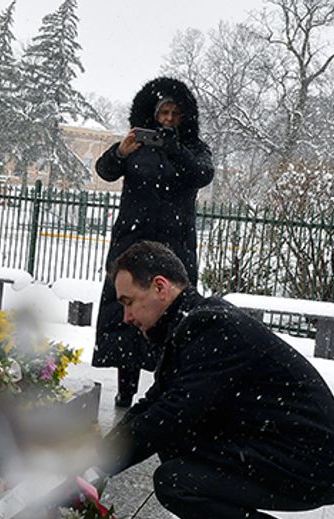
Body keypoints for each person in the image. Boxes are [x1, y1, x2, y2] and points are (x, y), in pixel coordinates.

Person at [91, 241, 334, 519]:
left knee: (175, 480)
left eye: (128, 302)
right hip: (279, 445)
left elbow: (171, 414)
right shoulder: (192, 322)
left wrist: (97, 469)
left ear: (160, 287)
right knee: (177, 440)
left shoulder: (211, 326)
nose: (126, 317)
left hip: (310, 459)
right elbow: (155, 403)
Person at [93, 77, 214, 408]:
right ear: (152, 113)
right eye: (164, 113)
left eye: (176, 113)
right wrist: (120, 152)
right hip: (132, 243)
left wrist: (175, 149)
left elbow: (203, 173)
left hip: (176, 249)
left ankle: (168, 389)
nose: (169, 120)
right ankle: (125, 389)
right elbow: (104, 170)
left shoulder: (193, 149)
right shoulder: (137, 145)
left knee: (173, 316)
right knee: (127, 312)